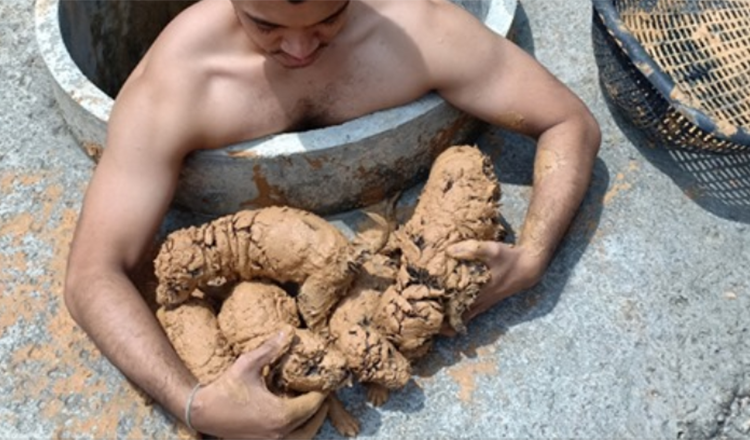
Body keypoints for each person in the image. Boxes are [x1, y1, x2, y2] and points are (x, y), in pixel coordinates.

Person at [64, 0, 601, 438]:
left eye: (328, 18)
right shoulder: (180, 81)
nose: (299, 49)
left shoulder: (418, 29)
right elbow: (93, 274)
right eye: (265, 24)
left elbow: (567, 121)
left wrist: (532, 255)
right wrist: (195, 404)